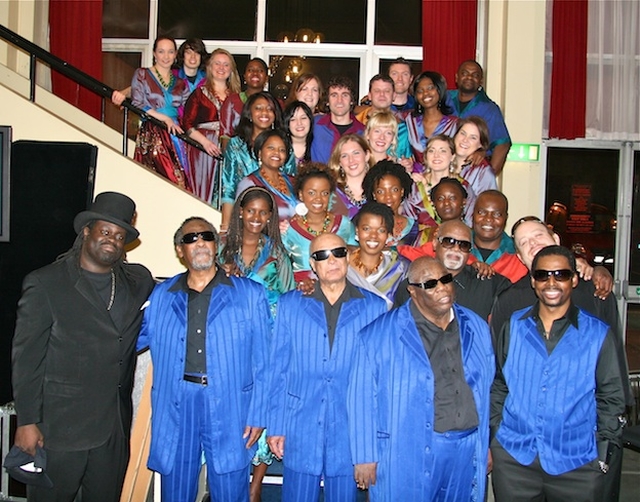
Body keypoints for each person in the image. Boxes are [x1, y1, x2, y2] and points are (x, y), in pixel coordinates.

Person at [11, 192, 155, 502]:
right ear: (86, 231)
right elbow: (26, 360)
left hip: (112, 431)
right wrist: (26, 422)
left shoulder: (136, 282)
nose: (112, 240)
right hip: (60, 430)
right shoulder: (46, 283)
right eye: (105, 231)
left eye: (119, 236)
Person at [491, 217, 632, 502]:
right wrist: (497, 438)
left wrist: (602, 454)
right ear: (530, 274)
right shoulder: (512, 318)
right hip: (516, 458)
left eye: (561, 274)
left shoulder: (596, 318)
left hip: (577, 462)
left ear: (574, 276)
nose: (552, 282)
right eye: (543, 275)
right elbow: (499, 383)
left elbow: (613, 395)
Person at [137, 217, 271, 502]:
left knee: (230, 491)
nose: (199, 242)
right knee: (177, 490)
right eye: (190, 238)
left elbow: (265, 360)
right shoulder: (161, 296)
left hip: (231, 406)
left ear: (216, 244)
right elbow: (128, 341)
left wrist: (259, 413)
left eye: (206, 236)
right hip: (177, 405)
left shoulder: (249, 294)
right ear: (179, 249)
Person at [348, 256, 494, 500]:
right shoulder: (377, 335)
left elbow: (486, 386)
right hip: (407, 448)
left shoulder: (476, 326)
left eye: (445, 279)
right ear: (413, 292)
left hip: (466, 448)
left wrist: (484, 442)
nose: (442, 288)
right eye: (430, 284)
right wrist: (364, 457)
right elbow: (361, 399)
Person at [267, 233, 387, 502]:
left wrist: (370, 444)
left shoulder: (375, 309)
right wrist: (276, 424)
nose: (331, 260)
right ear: (312, 264)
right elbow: (279, 370)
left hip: (350, 432)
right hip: (300, 426)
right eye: (322, 255)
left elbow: (381, 382)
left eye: (338, 253)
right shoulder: (290, 305)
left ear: (347, 258)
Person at [220, 187, 295, 501]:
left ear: (270, 217)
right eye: (251, 210)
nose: (256, 217)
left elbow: (290, 300)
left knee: (263, 403)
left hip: (268, 339)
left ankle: (255, 489)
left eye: (264, 212)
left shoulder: (278, 254)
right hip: (229, 342)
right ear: (239, 211)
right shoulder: (220, 251)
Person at [394, 220, 510, 318]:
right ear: (435, 243)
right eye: (449, 242)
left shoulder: (490, 284)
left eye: (464, 245)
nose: (456, 249)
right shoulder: (413, 286)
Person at [220, 92, 294, 231]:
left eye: (270, 109)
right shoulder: (236, 145)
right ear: (249, 113)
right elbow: (229, 187)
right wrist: (226, 227)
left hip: (281, 219)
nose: (264, 113)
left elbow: (292, 185)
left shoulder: (284, 145)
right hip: (246, 216)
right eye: (258, 108)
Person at [281, 163, 355, 288]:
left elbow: (355, 259)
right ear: (300, 195)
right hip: (302, 293)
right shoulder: (289, 229)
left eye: (324, 193)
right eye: (311, 193)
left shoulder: (344, 224)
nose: (318, 199)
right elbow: (282, 270)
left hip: (339, 290)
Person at [131, 36, 191, 190]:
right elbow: (137, 103)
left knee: (181, 180)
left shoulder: (180, 83)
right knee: (162, 178)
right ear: (154, 54)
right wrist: (164, 118)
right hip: (153, 129)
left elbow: (187, 110)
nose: (166, 56)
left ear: (175, 54)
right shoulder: (142, 74)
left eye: (170, 52)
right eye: (161, 51)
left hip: (176, 133)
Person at [183, 48, 241, 205]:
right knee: (205, 192)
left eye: (226, 64)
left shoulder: (237, 97)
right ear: (210, 67)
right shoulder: (199, 94)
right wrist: (205, 142)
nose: (221, 68)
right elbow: (187, 124)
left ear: (231, 70)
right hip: (205, 149)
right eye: (217, 63)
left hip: (231, 149)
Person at [446, 60, 511, 175]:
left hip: (470, 172)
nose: (469, 77)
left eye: (475, 75)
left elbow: (502, 144)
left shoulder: (489, 109)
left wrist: (489, 175)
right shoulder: (445, 99)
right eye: (465, 73)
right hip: (442, 167)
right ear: (457, 77)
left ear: (481, 81)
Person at [347, 202, 409, 308]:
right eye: (366, 229)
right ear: (357, 231)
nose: (373, 236)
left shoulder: (400, 269)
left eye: (381, 230)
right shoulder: (340, 265)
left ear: (388, 235)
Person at [236, 129, 298, 222]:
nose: (277, 153)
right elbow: (242, 221)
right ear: (260, 153)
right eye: (271, 148)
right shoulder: (249, 183)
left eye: (282, 150)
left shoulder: (294, 182)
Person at [405, 71, 458, 173]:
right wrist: (366, 105)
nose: (425, 93)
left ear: (439, 90)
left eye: (430, 88)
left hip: (444, 179)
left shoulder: (454, 124)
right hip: (416, 181)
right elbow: (386, 113)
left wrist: (480, 152)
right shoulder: (409, 119)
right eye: (420, 91)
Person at [362, 159, 418, 247]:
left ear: (402, 191)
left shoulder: (414, 228)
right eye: (380, 191)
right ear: (374, 195)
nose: (388, 197)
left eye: (394, 190)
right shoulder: (363, 225)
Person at [354, 74, 411, 160]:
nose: (382, 94)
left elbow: (408, 160)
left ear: (394, 96)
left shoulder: (403, 129)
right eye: (377, 91)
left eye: (387, 91)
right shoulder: (355, 125)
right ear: (369, 95)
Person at [310, 76, 365, 164]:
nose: (339, 100)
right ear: (327, 101)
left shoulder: (363, 132)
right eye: (334, 95)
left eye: (345, 95)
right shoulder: (314, 124)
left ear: (351, 101)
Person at [220, 58, 270, 148]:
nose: (255, 73)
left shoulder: (273, 103)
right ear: (245, 76)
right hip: (237, 156)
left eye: (260, 70)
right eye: (250, 70)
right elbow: (225, 136)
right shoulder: (232, 101)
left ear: (266, 77)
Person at [452, 116, 497, 201]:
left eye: (473, 137)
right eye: (463, 133)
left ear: (481, 144)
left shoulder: (484, 171)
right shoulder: (442, 160)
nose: (465, 140)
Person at [328, 134, 373, 218]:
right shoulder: (332, 192)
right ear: (339, 162)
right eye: (344, 156)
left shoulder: (379, 189)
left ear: (366, 155)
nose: (351, 160)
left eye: (356, 153)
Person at [284, 100, 314, 166]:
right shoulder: (281, 147)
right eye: (293, 119)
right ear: (287, 124)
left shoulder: (318, 147)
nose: (299, 123)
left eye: (303, 118)